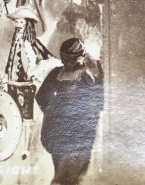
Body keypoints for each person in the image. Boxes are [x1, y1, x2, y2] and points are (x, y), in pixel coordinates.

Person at [36, 38, 104, 185]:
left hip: (72, 137)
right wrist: (53, 112)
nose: (67, 62)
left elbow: (96, 104)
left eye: (69, 59)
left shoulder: (85, 76)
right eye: (65, 59)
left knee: (67, 177)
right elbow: (41, 97)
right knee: (66, 178)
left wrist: (53, 112)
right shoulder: (60, 74)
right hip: (64, 137)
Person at [5, 5, 51, 158]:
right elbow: (11, 60)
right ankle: (14, 144)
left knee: (26, 117)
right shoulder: (15, 40)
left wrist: (34, 74)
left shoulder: (32, 43)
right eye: (17, 22)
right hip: (12, 83)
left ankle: (26, 148)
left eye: (20, 22)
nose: (17, 25)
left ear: (27, 25)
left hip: (25, 85)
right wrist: (7, 74)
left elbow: (43, 59)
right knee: (13, 113)